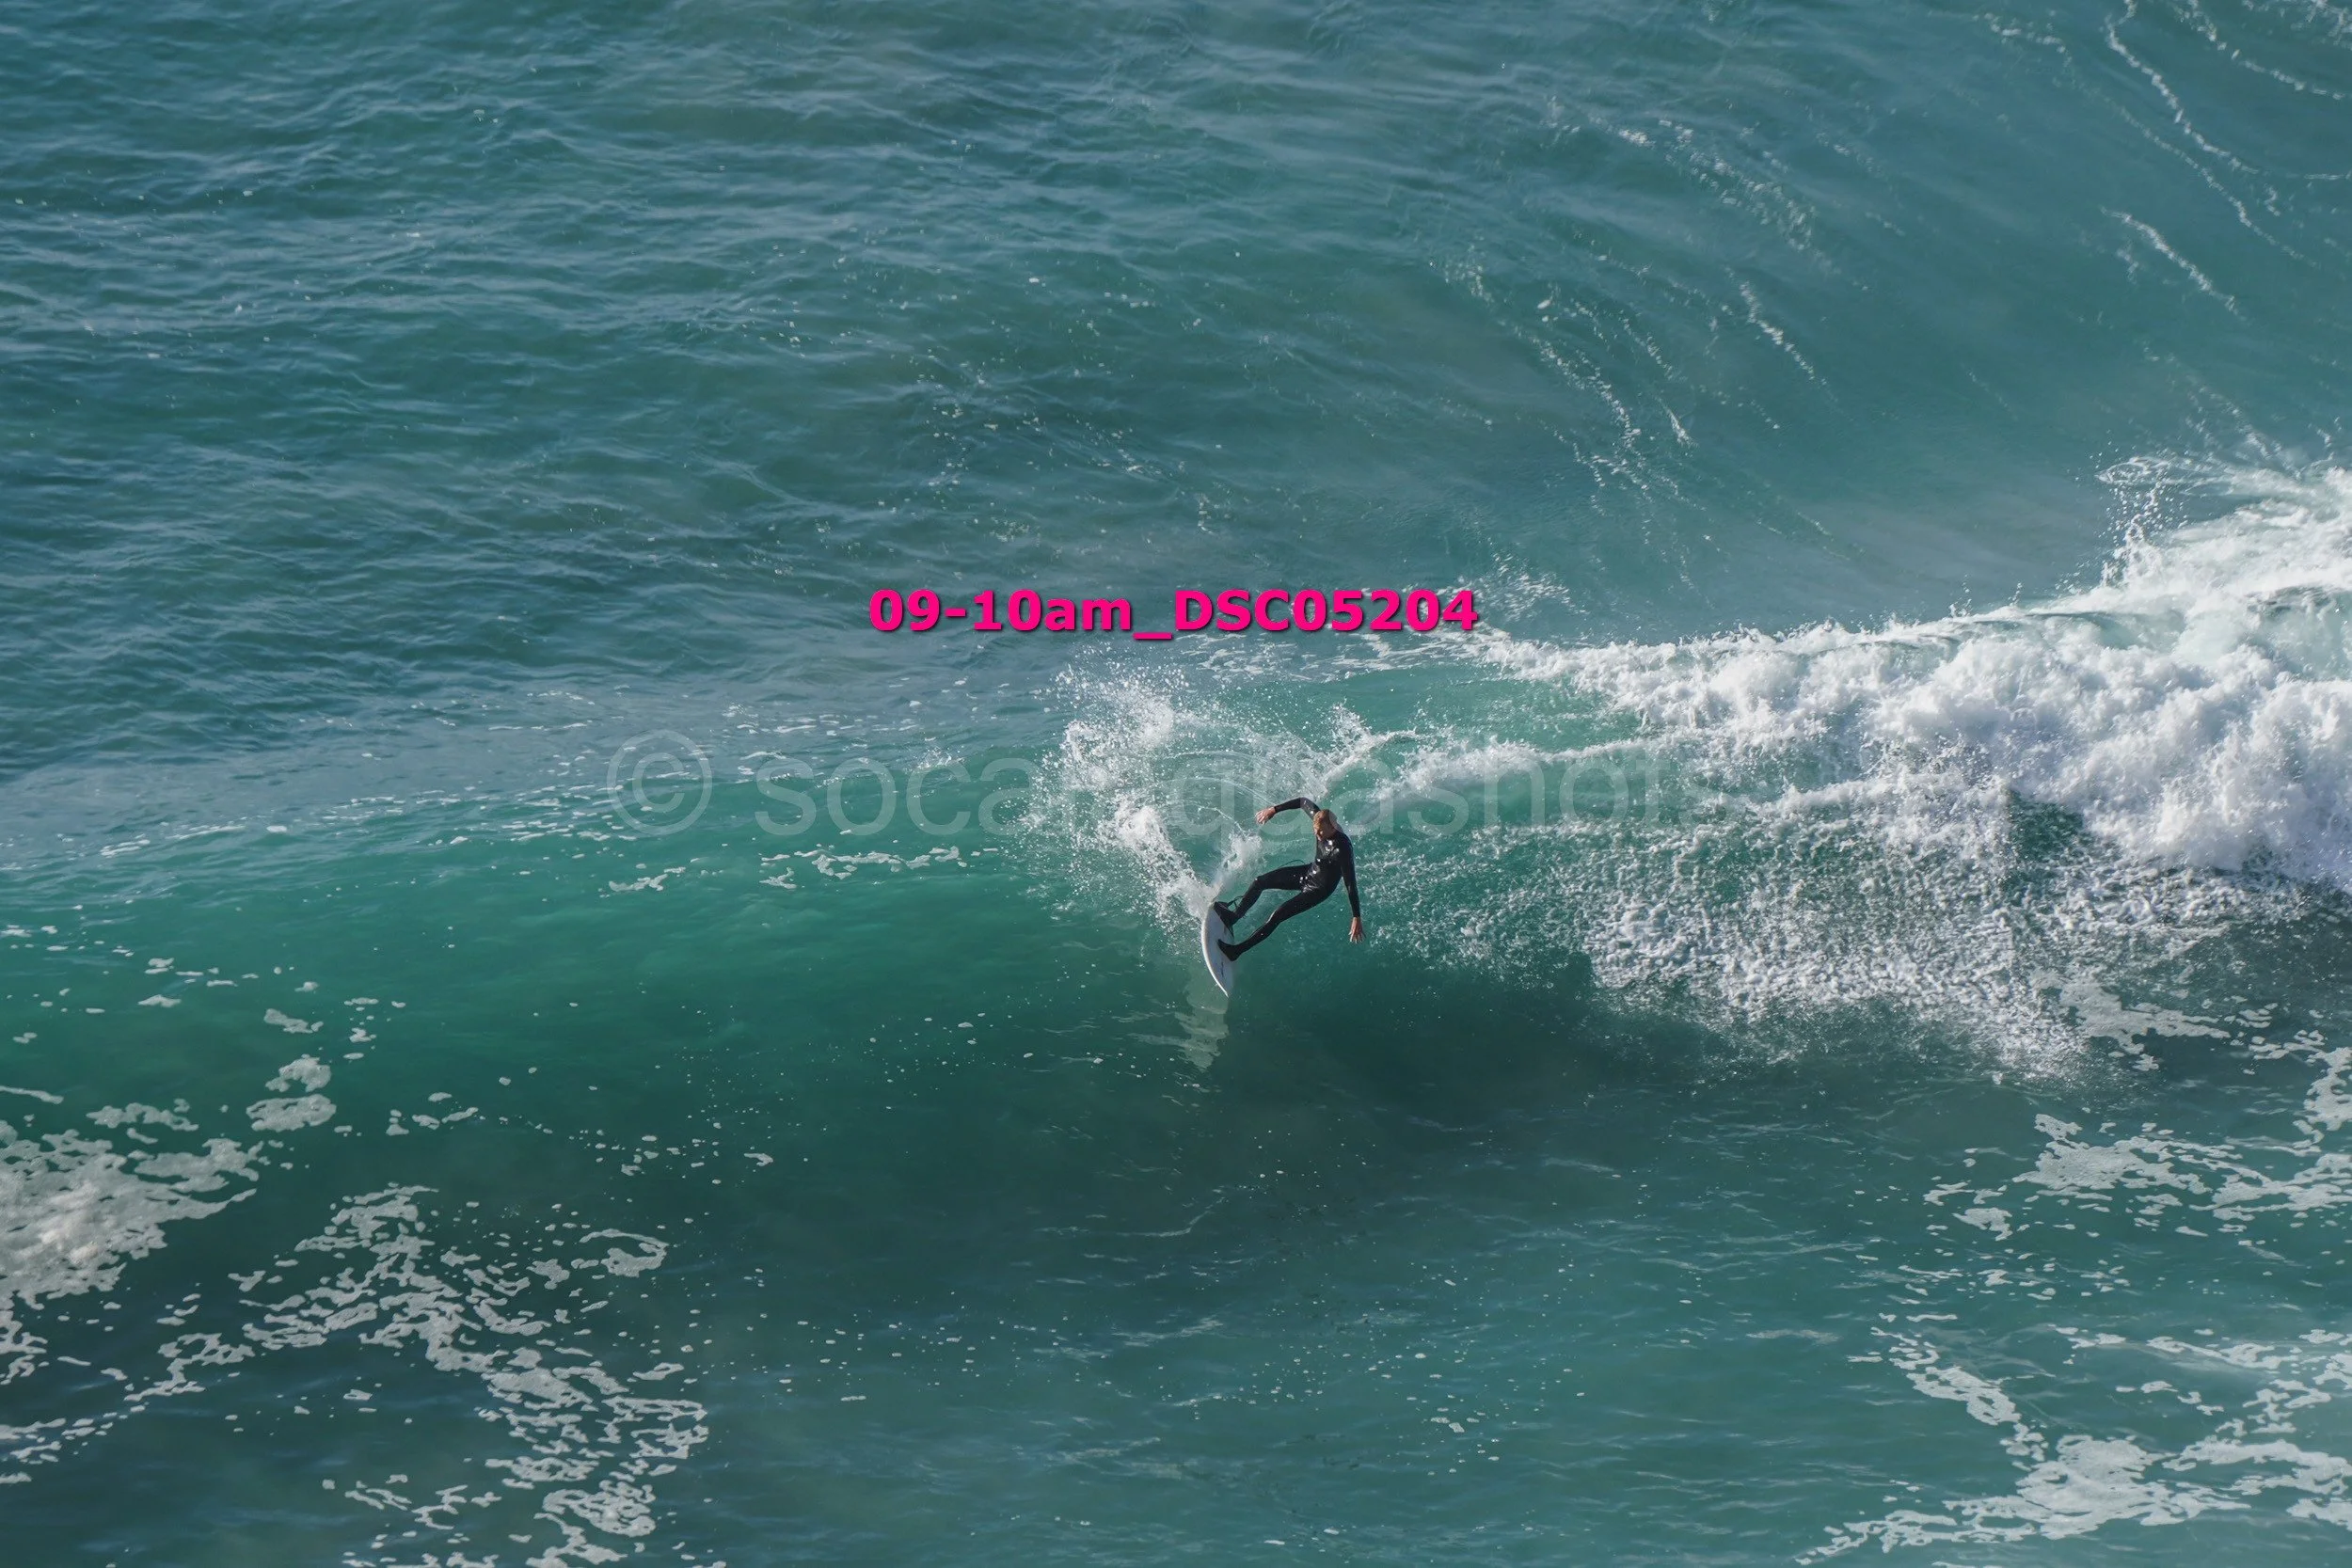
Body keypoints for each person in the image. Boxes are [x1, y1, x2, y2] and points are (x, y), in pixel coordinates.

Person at [1216, 798, 1364, 962]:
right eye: (1315, 831)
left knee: (1277, 915)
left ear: (1333, 826)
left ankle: (1236, 951)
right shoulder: (1320, 819)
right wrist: (1274, 809)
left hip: (1318, 890)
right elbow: (1303, 802)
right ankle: (1233, 917)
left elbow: (1350, 884)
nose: (1317, 835)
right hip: (1309, 872)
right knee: (1259, 881)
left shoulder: (1342, 849)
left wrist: (1356, 916)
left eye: (1321, 832)